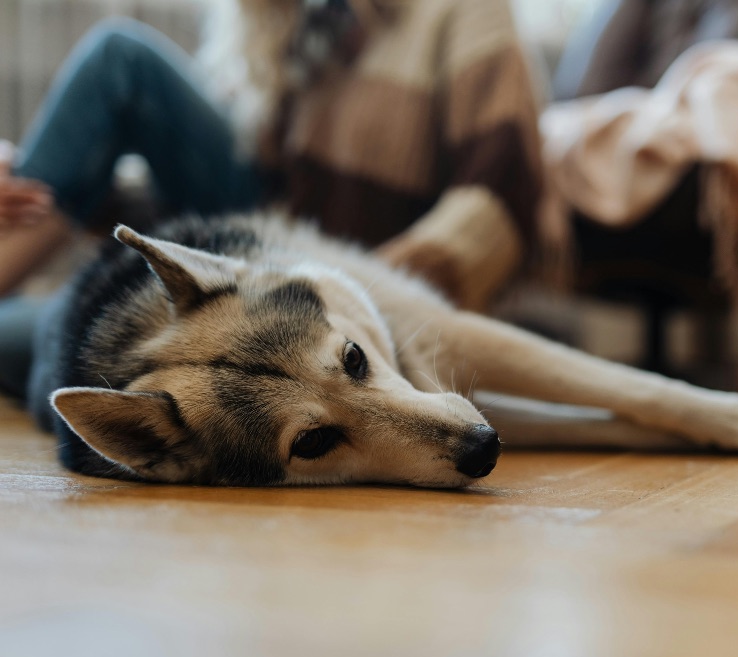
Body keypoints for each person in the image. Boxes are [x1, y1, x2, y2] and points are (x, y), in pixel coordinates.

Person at [0, 0, 543, 399]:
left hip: (340, 298)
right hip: (249, 265)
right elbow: (209, 205)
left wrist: (367, 294)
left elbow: (498, 202)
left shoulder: (464, 12)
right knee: (119, 59)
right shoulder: (282, 24)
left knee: (53, 349)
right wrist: (64, 165)